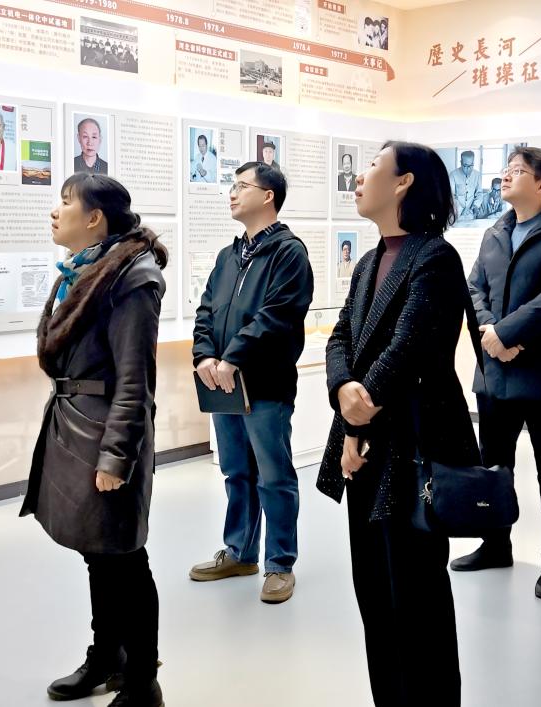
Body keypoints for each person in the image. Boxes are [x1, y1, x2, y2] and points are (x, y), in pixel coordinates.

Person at [317, 141, 482, 707]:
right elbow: (341, 336)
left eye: (372, 166)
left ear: (404, 182)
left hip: (413, 446)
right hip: (363, 446)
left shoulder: (435, 257)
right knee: (374, 594)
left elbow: (411, 347)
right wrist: (344, 392)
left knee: (416, 596)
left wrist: (360, 408)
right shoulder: (369, 261)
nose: (360, 177)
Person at [20, 173, 169, 707]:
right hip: (76, 426)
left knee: (125, 557)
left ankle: (143, 682)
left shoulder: (131, 279)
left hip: (106, 431)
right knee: (97, 553)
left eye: (66, 202)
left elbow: (135, 381)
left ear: (94, 218)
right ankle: (107, 656)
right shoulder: (84, 272)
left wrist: (116, 457)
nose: (55, 211)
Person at [451, 147, 541, 601]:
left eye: (516, 171)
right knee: (493, 466)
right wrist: (490, 332)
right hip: (494, 371)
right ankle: (495, 545)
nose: (505, 176)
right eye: (506, 169)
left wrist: (508, 334)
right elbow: (474, 287)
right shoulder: (496, 231)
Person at [190, 162, 313, 604]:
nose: (232, 193)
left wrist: (233, 358)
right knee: (236, 472)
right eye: (232, 186)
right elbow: (206, 310)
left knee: (273, 476)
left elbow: (277, 317)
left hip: (264, 384)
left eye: (241, 186)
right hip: (223, 384)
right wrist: (205, 355)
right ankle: (240, 552)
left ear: (268, 196)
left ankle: (280, 563)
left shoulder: (288, 253)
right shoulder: (229, 256)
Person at [449, 150, 480, 220]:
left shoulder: (477, 175)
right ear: (461, 163)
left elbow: (479, 193)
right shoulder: (453, 175)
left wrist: (475, 206)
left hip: (471, 213)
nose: (468, 169)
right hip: (456, 213)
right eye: (465, 165)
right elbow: (451, 195)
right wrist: (461, 209)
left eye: (471, 165)